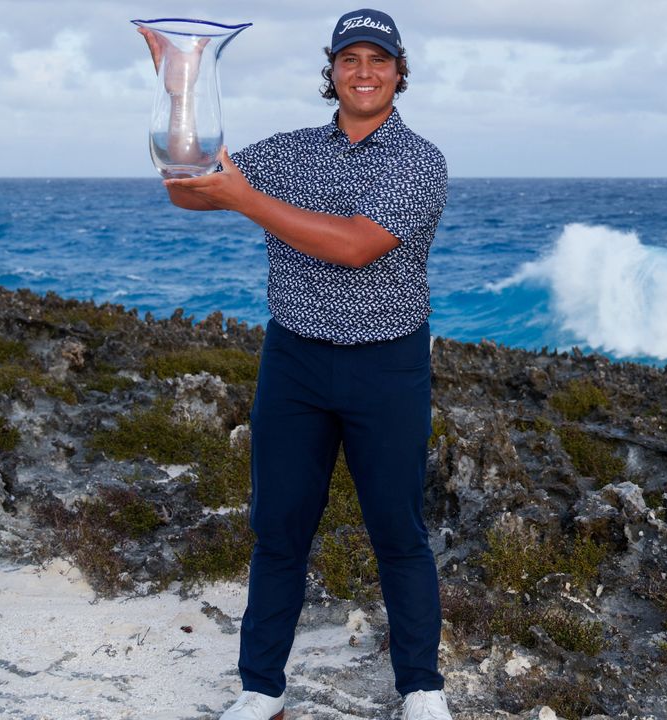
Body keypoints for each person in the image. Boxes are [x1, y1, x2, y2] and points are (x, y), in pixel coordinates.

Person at [139, 8, 452, 720]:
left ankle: (421, 690)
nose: (364, 72)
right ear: (332, 72)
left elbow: (355, 245)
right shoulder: (289, 151)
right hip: (296, 363)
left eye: (379, 60)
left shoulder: (419, 160)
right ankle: (261, 690)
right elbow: (186, 187)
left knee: (398, 533)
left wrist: (245, 198)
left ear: (401, 73)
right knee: (278, 529)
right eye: (350, 60)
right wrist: (182, 83)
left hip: (387, 365)